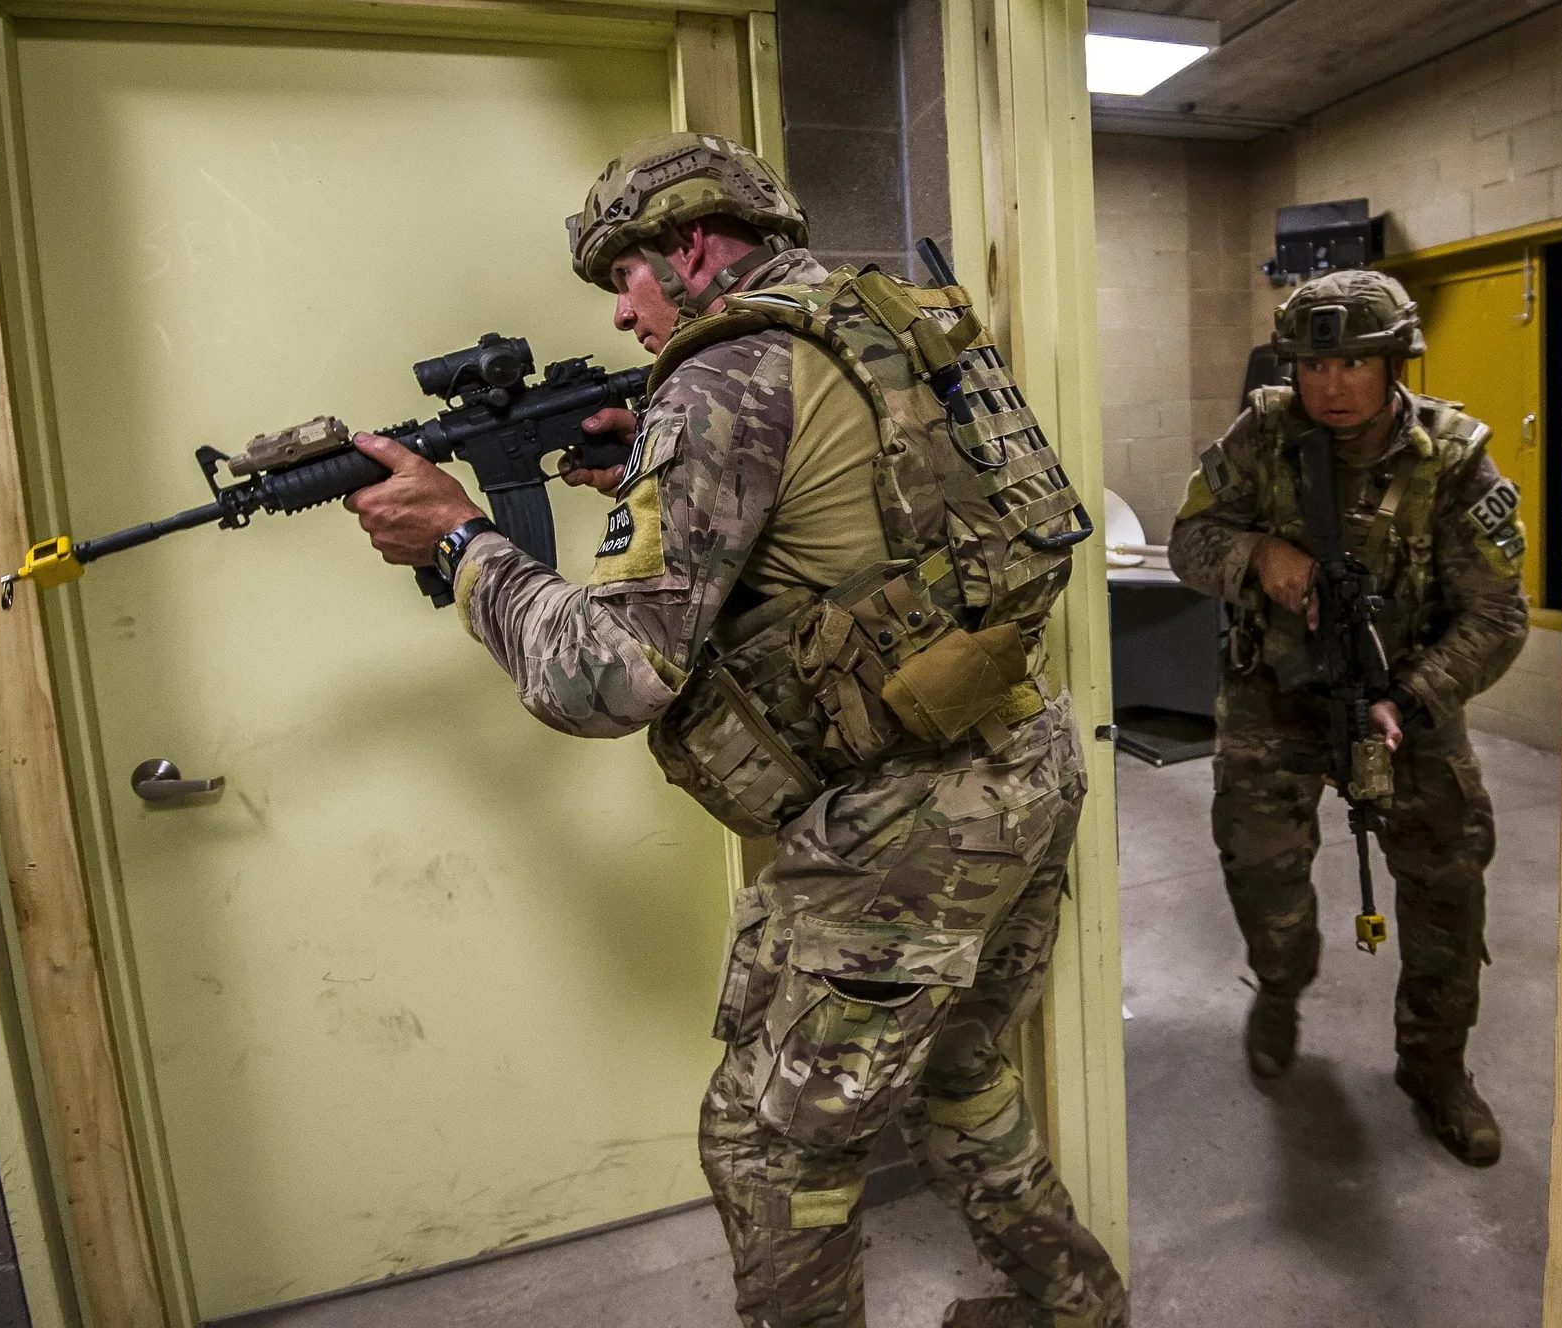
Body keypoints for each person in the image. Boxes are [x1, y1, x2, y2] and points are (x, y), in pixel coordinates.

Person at [341, 132, 1128, 1328]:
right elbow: (883, 527)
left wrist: (460, 544)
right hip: (1025, 759)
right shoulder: (887, 320)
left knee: (769, 1148)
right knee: (963, 1071)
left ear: (692, 244)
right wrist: (657, 479)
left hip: (909, 825)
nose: (621, 316)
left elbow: (604, 678)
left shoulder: (721, 379)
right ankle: (1083, 1306)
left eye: (625, 278)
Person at [1168, 269, 1529, 1166]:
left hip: (1406, 696)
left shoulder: (1453, 459)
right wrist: (1259, 553)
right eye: (1312, 365)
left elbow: (1497, 615)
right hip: (1274, 699)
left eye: (1355, 364)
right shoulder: (1263, 433)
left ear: (1396, 361)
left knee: (1450, 884)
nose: (1330, 386)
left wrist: (1407, 699)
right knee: (1260, 868)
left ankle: (1435, 1067)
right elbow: (1186, 541)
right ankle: (1282, 985)